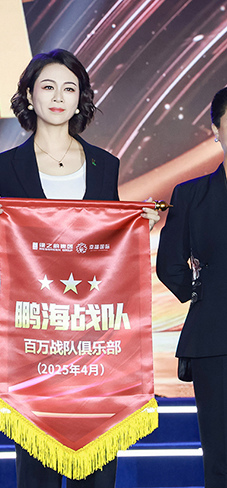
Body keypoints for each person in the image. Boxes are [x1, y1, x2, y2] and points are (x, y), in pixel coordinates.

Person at [0, 49, 159, 488]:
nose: (58, 97)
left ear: (80, 100)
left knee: (96, 471)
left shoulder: (105, 164)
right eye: (48, 87)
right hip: (37, 341)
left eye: (69, 88)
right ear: (29, 96)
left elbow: (109, 244)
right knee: (36, 472)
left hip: (96, 341)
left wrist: (139, 226)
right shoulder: (4, 167)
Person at [157, 86, 227, 488]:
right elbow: (169, 264)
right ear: (215, 130)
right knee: (220, 456)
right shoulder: (190, 195)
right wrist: (201, 294)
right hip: (214, 339)